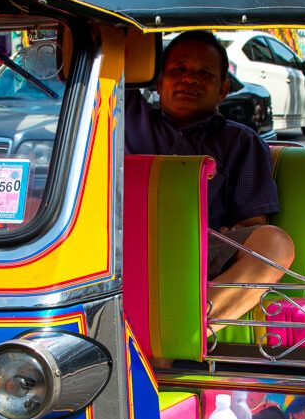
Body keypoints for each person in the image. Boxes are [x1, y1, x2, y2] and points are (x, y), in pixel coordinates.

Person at [125, 30, 294, 322]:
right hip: (124, 246)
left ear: (223, 88)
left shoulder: (241, 142)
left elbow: (253, 224)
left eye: (204, 73)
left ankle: (185, 328)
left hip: (201, 252)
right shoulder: (126, 116)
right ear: (157, 79)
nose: (188, 79)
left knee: (275, 244)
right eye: (178, 69)